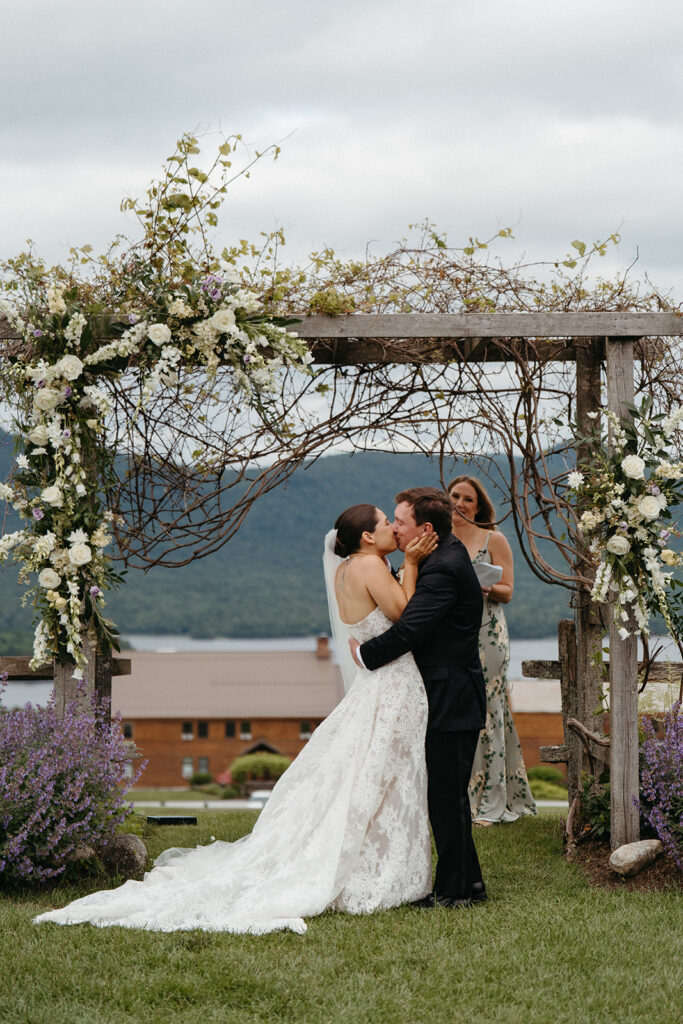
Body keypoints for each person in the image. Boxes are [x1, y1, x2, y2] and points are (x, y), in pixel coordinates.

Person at [34, 505, 436, 935]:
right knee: (384, 776)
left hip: (375, 685)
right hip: (389, 685)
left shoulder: (345, 570)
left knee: (370, 776)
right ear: (368, 538)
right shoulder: (372, 564)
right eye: (384, 523)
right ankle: (379, 870)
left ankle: (371, 857)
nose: (394, 528)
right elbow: (405, 614)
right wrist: (411, 565)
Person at [350, 487, 487, 908]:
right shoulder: (438, 556)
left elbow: (411, 628)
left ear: (426, 529)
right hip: (444, 693)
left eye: (401, 521)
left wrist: (365, 653)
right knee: (445, 794)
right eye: (392, 519)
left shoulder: (443, 567)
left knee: (446, 796)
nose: (393, 527)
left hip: (452, 696)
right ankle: (471, 884)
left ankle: (454, 892)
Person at [447, 475, 536, 825]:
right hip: (454, 634)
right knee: (460, 710)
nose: (459, 503)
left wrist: (484, 588)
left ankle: (491, 799)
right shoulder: (441, 539)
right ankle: (460, 794)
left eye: (467, 498)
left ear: (478, 505)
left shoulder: (493, 538)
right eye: (454, 496)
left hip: (489, 635)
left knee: (489, 710)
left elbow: (509, 590)